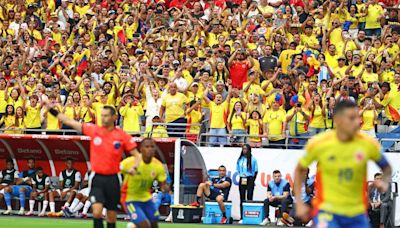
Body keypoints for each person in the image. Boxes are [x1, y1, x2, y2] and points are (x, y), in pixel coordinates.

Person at [294, 101, 392, 228]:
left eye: (357, 117)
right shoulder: (320, 143)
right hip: (327, 211)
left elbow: (386, 167)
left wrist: (384, 181)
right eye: (351, 118)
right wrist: (300, 203)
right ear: (338, 120)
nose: (357, 122)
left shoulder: (367, 144)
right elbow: (299, 169)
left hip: (356, 213)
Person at [43, 101, 141, 228]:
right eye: (102, 115)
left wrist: (134, 167)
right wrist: (51, 109)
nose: (103, 118)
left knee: (111, 215)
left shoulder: (122, 136)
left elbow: (137, 155)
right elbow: (69, 121)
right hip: (97, 178)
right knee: (97, 211)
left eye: (106, 115)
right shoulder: (94, 130)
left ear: (114, 117)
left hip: (113, 179)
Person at [120, 138, 167, 228]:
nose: (150, 149)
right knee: (145, 225)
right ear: (141, 149)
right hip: (129, 198)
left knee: (154, 223)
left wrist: (165, 188)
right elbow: (116, 169)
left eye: (152, 147)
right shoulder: (130, 162)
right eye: (147, 146)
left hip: (146, 198)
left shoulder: (158, 165)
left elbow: (163, 185)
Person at [236, 144, 258, 223]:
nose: (244, 150)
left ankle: (249, 216)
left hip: (250, 178)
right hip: (242, 178)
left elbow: (256, 171)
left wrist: (252, 180)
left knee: (249, 197)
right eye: (243, 149)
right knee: (242, 198)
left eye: (246, 149)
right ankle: (242, 217)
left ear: (249, 150)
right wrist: (242, 175)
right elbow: (238, 169)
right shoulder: (240, 159)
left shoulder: (253, 159)